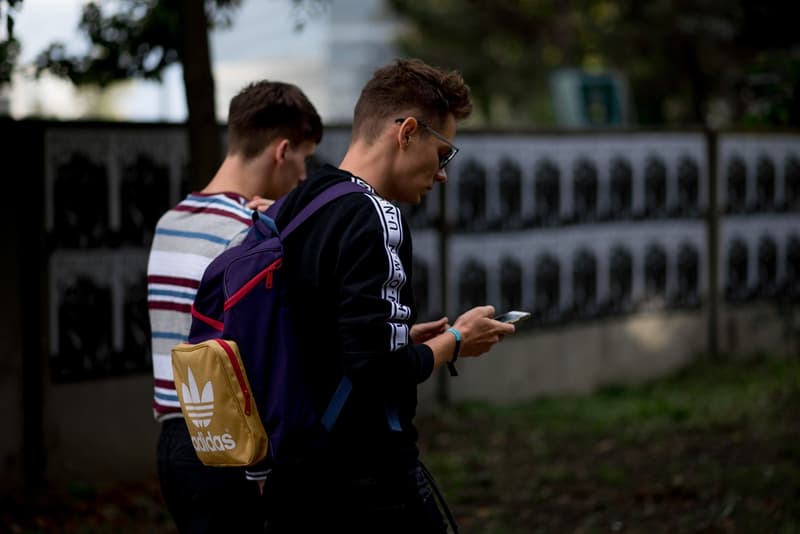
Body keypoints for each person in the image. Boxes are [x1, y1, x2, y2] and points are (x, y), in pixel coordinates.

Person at [261, 58, 516, 533]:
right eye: (444, 154)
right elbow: (376, 372)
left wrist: (404, 336)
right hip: (367, 482)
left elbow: (315, 332)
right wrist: (457, 340)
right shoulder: (375, 216)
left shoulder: (299, 203)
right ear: (408, 132)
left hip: (290, 478)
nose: (442, 175)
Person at [146, 79, 322, 533]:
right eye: (304, 158)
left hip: (174, 445)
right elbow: (257, 356)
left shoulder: (170, 221)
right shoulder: (251, 234)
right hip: (232, 450)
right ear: (282, 151)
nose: (303, 176)